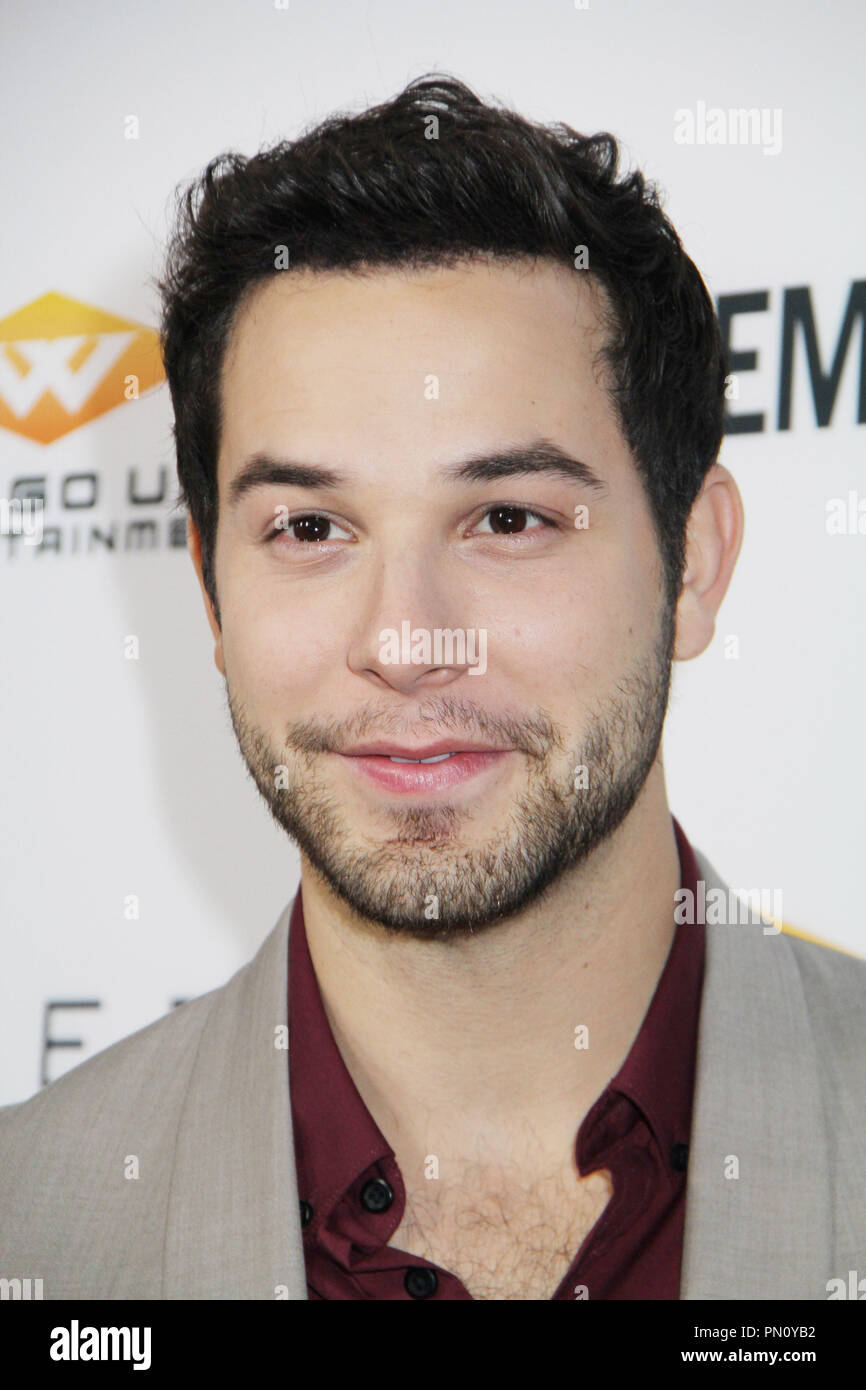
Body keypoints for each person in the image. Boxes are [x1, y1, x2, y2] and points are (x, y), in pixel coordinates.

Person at [1, 72, 863, 1302]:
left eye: (505, 517)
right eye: (308, 528)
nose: (405, 642)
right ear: (208, 591)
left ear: (694, 562)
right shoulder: (31, 1222)